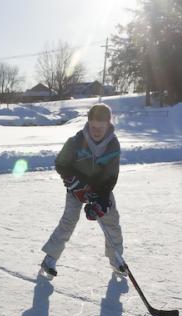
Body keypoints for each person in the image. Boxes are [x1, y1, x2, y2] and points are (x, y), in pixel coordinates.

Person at [40, 103, 125, 279]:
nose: (96, 130)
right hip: (76, 187)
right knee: (68, 221)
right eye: (93, 126)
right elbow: (61, 163)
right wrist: (75, 183)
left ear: (108, 124)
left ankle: (116, 258)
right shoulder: (77, 140)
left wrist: (101, 201)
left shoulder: (113, 145)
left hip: (101, 187)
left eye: (100, 127)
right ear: (88, 123)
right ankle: (50, 259)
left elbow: (111, 175)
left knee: (112, 221)